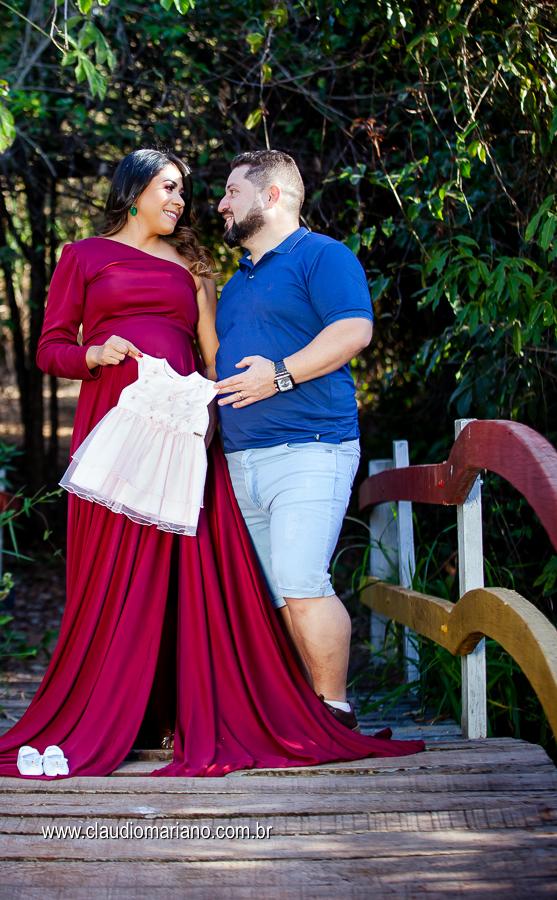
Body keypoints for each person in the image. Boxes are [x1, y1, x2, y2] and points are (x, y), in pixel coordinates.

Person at [0, 148, 423, 777]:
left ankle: (194, 713)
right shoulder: (83, 257)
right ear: (132, 192)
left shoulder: (198, 267)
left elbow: (213, 356)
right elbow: (51, 348)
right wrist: (93, 355)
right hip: (113, 432)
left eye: (185, 190)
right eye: (168, 188)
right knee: (117, 574)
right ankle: (120, 712)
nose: (182, 201)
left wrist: (216, 416)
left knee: (200, 576)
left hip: (186, 437)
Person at [214, 148, 372, 730]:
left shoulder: (322, 255)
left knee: (303, 582)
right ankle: (303, 710)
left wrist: (278, 375)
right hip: (240, 461)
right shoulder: (236, 282)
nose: (221, 204)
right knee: (277, 594)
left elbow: (353, 330)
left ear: (272, 195)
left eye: (232, 191)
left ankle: (335, 714)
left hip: (310, 448)